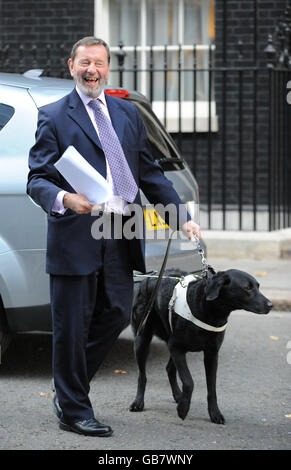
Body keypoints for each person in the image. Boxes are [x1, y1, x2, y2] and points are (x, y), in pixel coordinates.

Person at [27, 36, 200, 437]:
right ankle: (73, 408)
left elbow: (149, 172)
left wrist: (180, 215)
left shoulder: (125, 114)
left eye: (99, 63)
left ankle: (68, 388)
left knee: (117, 313)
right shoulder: (54, 116)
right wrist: (66, 198)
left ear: (108, 68)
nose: (92, 70)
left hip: (121, 229)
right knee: (71, 323)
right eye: (85, 63)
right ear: (71, 65)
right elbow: (37, 179)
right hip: (77, 231)